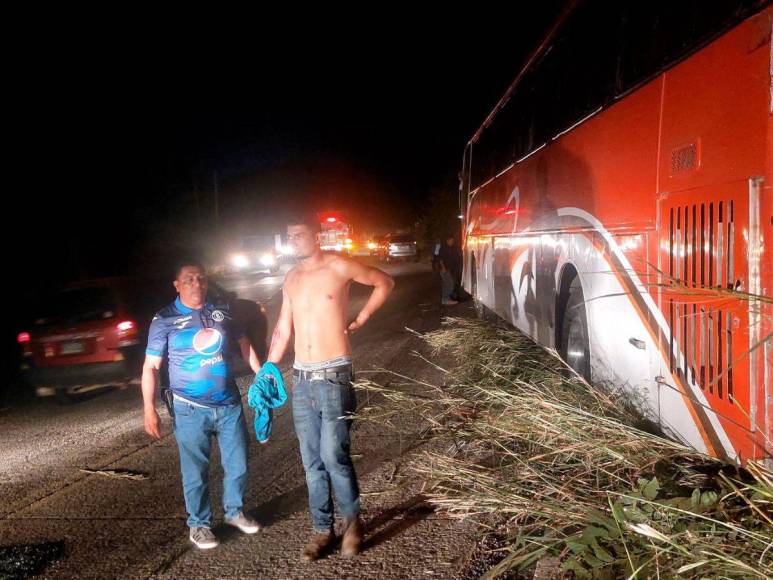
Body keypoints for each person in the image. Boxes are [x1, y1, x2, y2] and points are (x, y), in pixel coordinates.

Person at [266, 213, 395, 561]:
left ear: (317, 237)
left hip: (334, 374)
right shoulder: (291, 278)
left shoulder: (339, 266)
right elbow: (283, 326)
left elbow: (384, 282)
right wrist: (267, 367)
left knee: (333, 455)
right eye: (289, 236)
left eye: (299, 235)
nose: (293, 241)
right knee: (311, 461)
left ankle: (353, 523)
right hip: (302, 378)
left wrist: (362, 317)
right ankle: (322, 529)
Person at [141, 259, 262, 550]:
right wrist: (149, 408)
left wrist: (262, 375)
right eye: (189, 279)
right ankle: (199, 524)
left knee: (239, 464)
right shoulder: (164, 319)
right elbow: (151, 366)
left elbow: (244, 343)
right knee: (195, 471)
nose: (197, 284)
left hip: (229, 403)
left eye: (201, 279)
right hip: (189, 407)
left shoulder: (221, 312)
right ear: (177, 285)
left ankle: (234, 512)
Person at [438, 235, 463, 305]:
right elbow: (440, 259)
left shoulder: (450, 248)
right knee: (450, 284)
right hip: (444, 269)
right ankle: (445, 299)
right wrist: (443, 268)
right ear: (447, 240)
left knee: (446, 284)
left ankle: (446, 299)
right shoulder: (443, 248)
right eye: (451, 241)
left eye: (453, 241)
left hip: (448, 269)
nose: (452, 242)